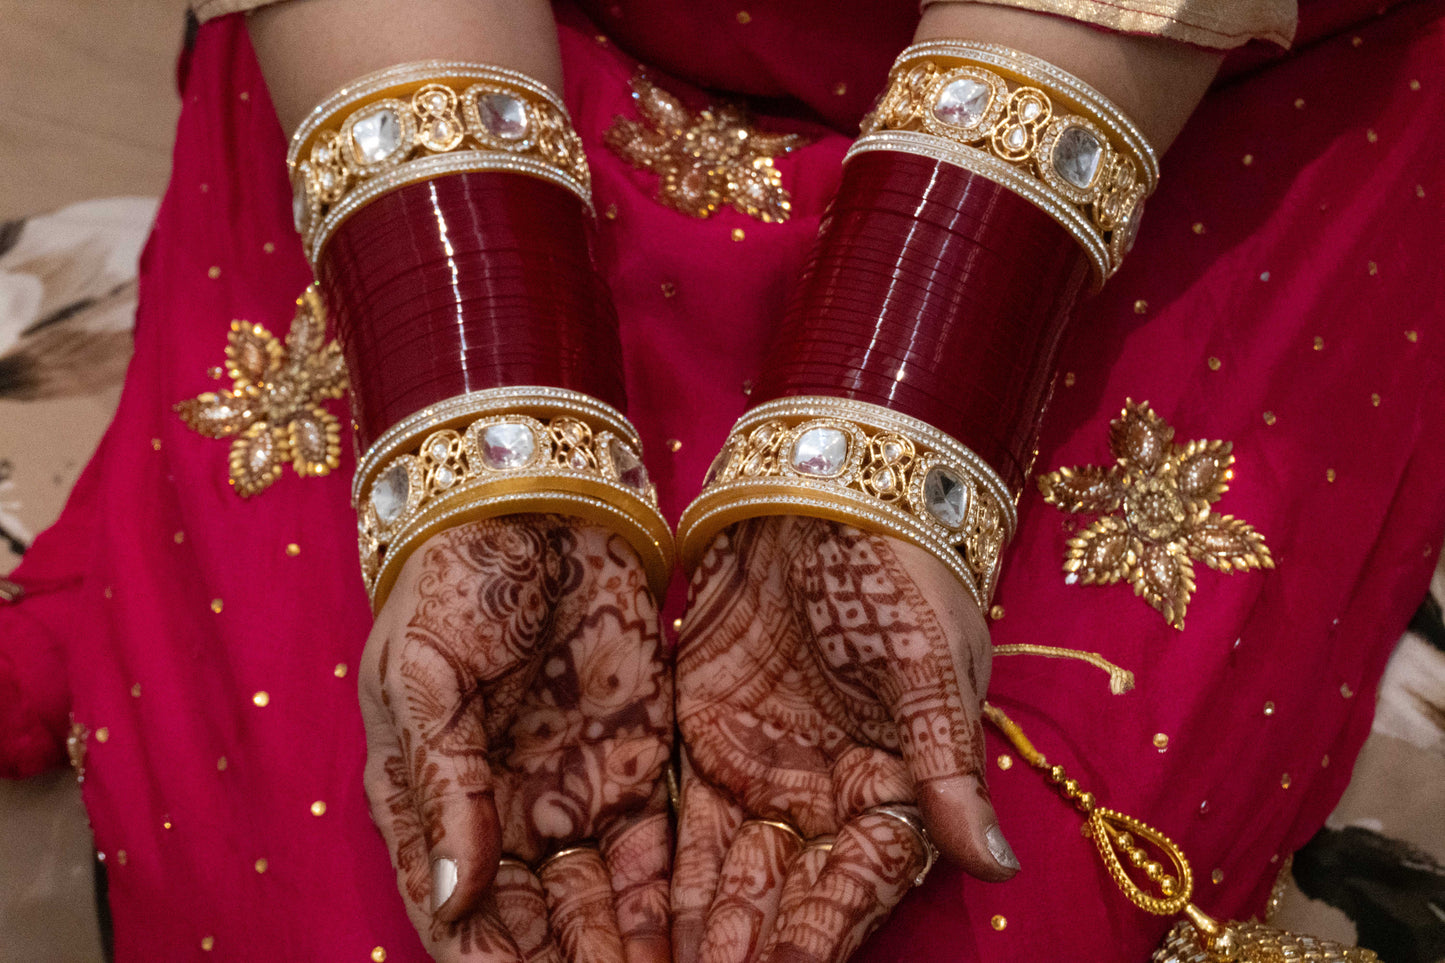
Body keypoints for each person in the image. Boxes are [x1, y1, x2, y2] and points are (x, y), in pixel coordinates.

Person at [1, 0, 1441, 960]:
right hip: (455, 53)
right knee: (391, 885)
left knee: (986, 915)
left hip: (1147, 78)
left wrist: (897, 419)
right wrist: (485, 412)